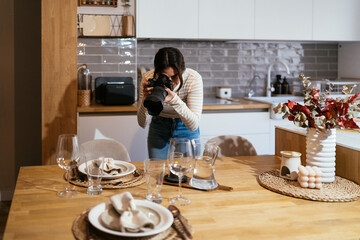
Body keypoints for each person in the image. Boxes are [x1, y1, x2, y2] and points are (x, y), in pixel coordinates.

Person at [137, 47, 203, 160]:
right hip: (159, 126)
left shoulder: (193, 79)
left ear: (183, 70)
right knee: (158, 171)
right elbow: (142, 123)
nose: (170, 81)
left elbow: (193, 125)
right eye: (164, 77)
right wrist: (146, 101)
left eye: (175, 76)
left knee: (186, 172)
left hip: (185, 126)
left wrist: (174, 100)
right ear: (157, 72)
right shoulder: (149, 78)